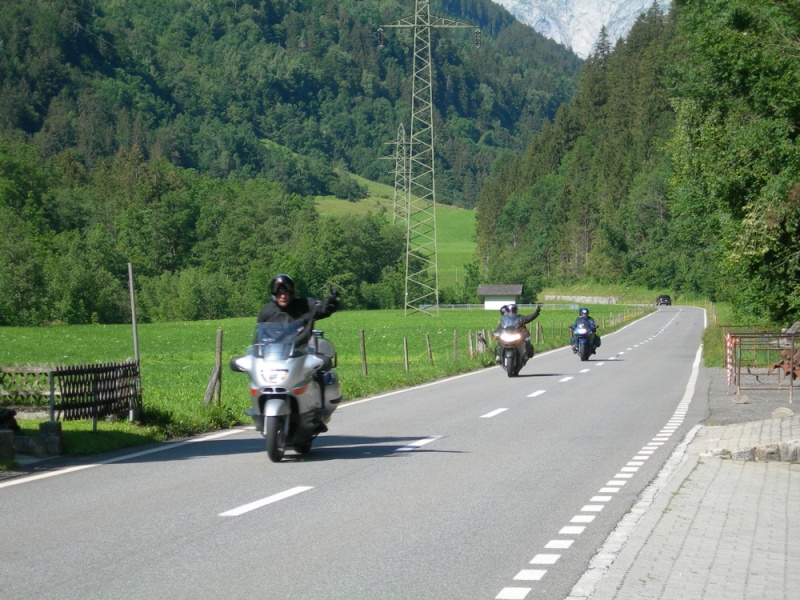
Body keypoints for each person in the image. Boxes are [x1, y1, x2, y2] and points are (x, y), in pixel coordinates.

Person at [257, 274, 339, 344]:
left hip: (302, 353)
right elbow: (258, 339)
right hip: (275, 356)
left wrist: (330, 302)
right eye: (279, 293)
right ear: (274, 294)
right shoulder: (267, 312)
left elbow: (322, 309)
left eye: (286, 293)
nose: (283, 296)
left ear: (291, 293)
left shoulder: (305, 305)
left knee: (324, 360)